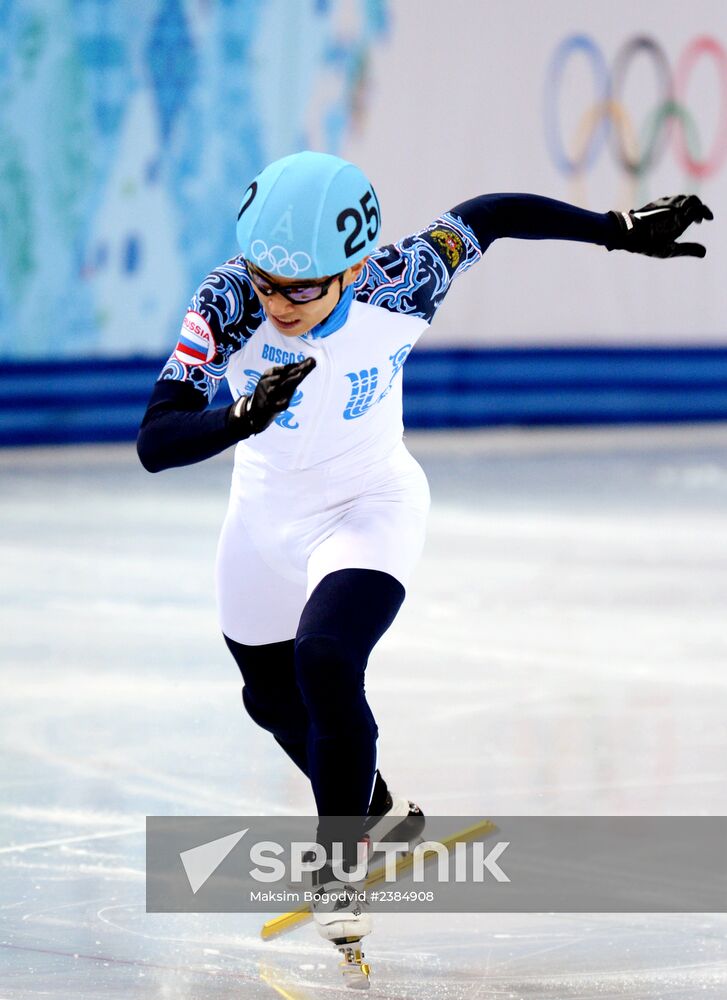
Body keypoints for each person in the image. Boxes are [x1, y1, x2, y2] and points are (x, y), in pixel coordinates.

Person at [137, 150, 712, 963]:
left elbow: (490, 212)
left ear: (355, 267)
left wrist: (613, 231)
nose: (279, 302)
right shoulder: (229, 301)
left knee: (326, 659)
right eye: (269, 281)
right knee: (267, 702)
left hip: (369, 507)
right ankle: (374, 805)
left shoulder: (402, 280)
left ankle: (339, 870)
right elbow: (155, 443)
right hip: (263, 518)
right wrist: (237, 415)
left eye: (301, 287)